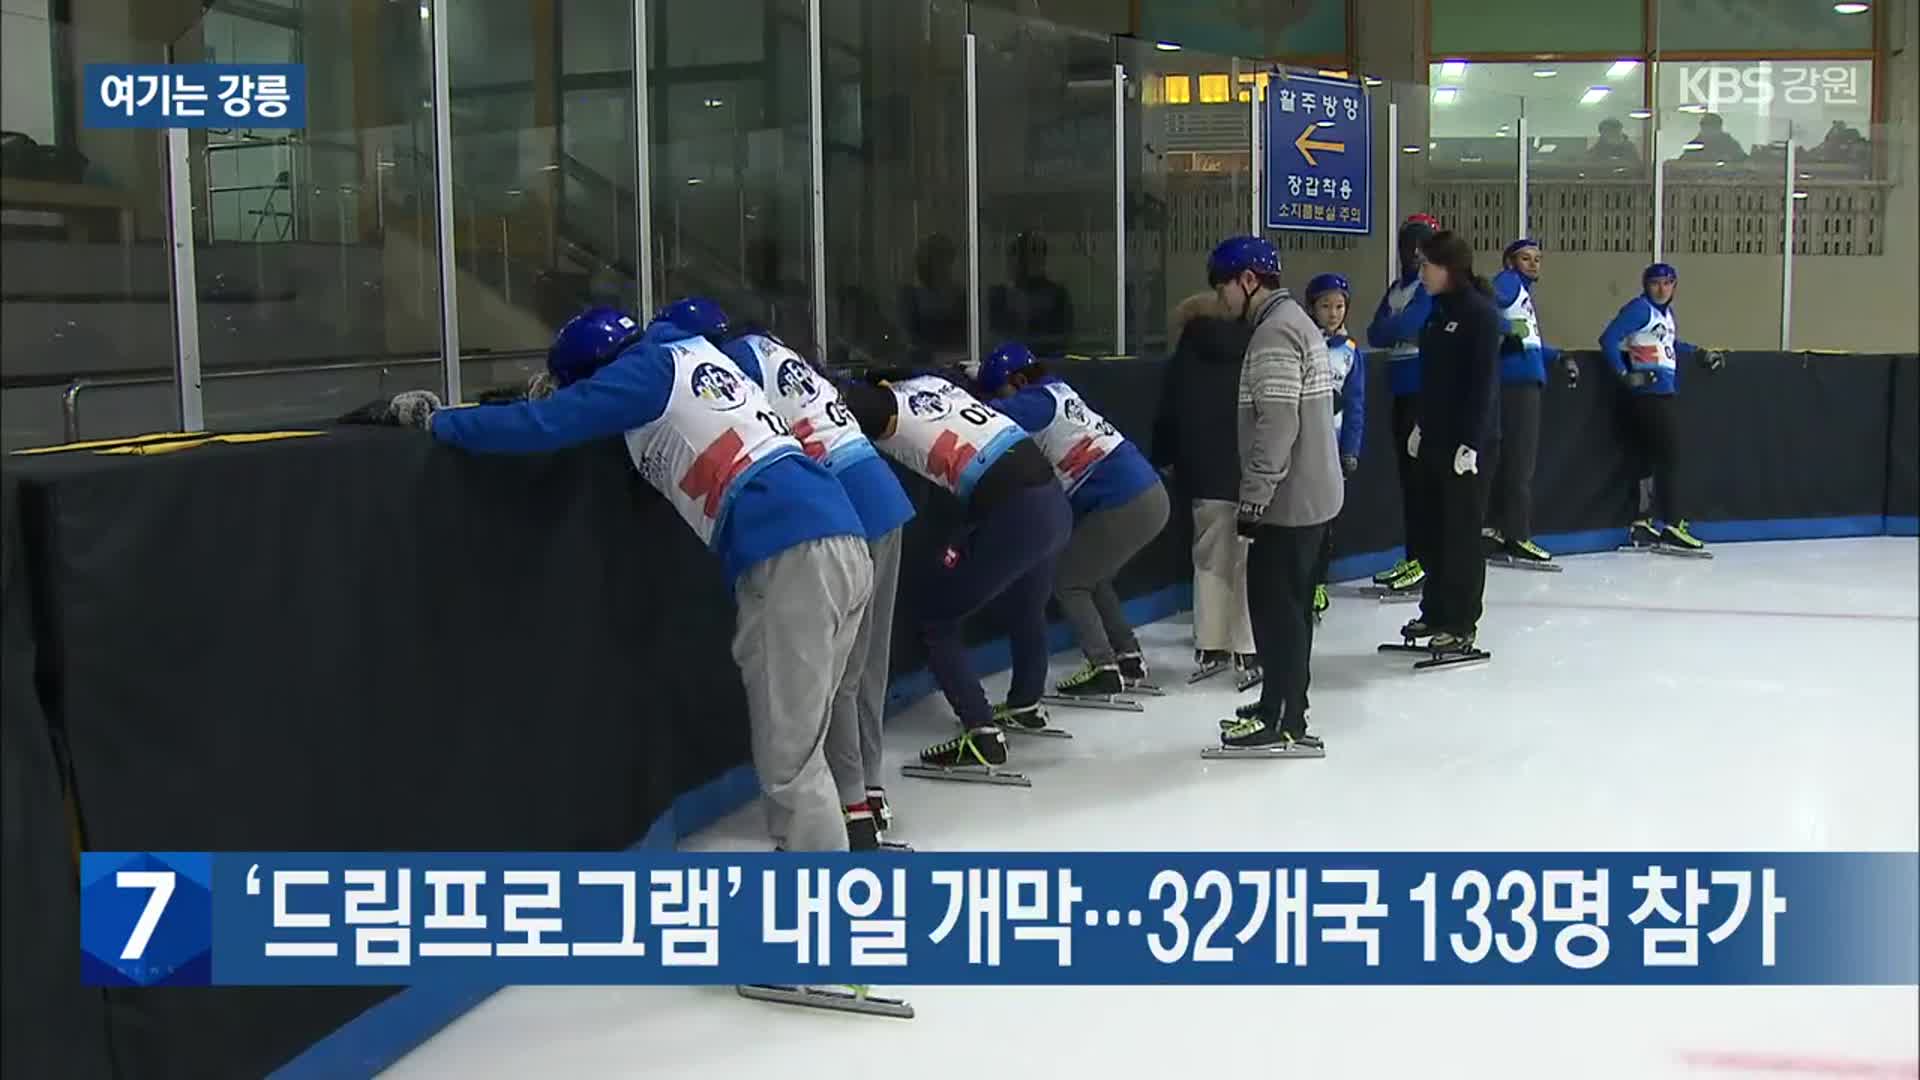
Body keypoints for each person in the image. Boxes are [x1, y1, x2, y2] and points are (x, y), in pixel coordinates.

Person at [396, 305, 874, 854]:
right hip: (840, 537)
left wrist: (438, 421)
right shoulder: (694, 356)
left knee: (789, 760)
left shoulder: (641, 374)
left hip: (792, 552)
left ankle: (823, 914)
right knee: (804, 741)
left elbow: (540, 426)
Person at [659, 299, 916, 850]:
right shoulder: (780, 351)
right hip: (879, 495)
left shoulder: (723, 364)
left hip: (835, 502)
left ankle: (851, 808)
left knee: (836, 680)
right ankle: (867, 791)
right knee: (866, 667)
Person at [838, 370, 1073, 778]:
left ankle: (982, 731)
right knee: (1026, 607)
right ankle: (1025, 703)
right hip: (1052, 501)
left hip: (1015, 511)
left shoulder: (886, 408)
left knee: (936, 619)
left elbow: (845, 405)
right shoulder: (936, 384)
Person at [1207, 235, 1342, 756]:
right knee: (1291, 610)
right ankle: (1281, 703)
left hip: (1289, 502)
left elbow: (1278, 422)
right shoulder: (1296, 325)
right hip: (1313, 496)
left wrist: (1255, 496)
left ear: (1247, 281)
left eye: (1224, 289)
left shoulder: (1273, 335)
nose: (1223, 302)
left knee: (1276, 612)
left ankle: (1284, 716)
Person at [975, 342, 1169, 700]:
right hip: (1148, 493)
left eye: (1002, 388)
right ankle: (1127, 656)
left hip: (1125, 499)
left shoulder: (1036, 401)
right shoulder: (1059, 390)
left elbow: (987, 415)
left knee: (1067, 579)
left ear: (1017, 380)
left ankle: (1103, 667)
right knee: (1092, 577)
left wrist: (958, 386)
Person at [1152, 290, 1260, 682]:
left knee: (1210, 559)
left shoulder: (1186, 354)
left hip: (1203, 471)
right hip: (1250, 470)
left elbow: (1168, 412)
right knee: (1247, 562)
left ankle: (1211, 646)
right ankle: (1248, 651)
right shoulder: (1256, 345)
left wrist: (1165, 456)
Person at [1404, 230, 1502, 654]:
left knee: (1461, 534)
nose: (1421, 272)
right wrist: (1421, 424)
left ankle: (1461, 621)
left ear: (1449, 268)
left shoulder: (1479, 314)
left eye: (1427, 265)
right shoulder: (1435, 311)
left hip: (1468, 444)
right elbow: (1433, 379)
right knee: (1432, 528)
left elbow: (1483, 384)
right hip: (1435, 436)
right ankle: (1435, 609)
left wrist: (1472, 443)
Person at [1598, 263, 1726, 553]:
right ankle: (1672, 523)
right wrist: (1624, 374)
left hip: (1659, 391)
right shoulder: (1640, 309)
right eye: (1656, 283)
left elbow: (1668, 343)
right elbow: (1608, 339)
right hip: (1650, 392)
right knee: (1671, 457)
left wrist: (1699, 353)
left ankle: (1642, 523)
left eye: (1668, 283)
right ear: (1646, 285)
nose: (1662, 288)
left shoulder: (1664, 315)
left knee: (1648, 458)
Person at [1366, 214, 1440, 593]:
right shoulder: (1399, 288)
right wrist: (1396, 327)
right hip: (1400, 389)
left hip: (1423, 391)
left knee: (1422, 480)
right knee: (1408, 482)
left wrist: (1395, 327)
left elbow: (1406, 326)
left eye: (1421, 243)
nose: (1413, 251)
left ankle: (1426, 561)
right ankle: (1415, 558)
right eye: (1408, 243)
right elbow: (1375, 331)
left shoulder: (1427, 289)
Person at [1483, 239, 1565, 566]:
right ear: (1509, 262)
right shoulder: (1508, 282)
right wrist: (1506, 331)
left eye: (1537, 259)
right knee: (1520, 462)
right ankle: (1516, 535)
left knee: (1512, 461)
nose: (1533, 264)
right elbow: (1483, 304)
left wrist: (1556, 356)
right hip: (1515, 385)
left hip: (1520, 381)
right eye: (1525, 258)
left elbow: (1527, 341)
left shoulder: (1522, 295)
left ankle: (1500, 530)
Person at [1303, 272, 1365, 618]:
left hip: (1333, 446)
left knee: (1327, 521)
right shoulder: (1303, 344)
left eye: (1339, 306)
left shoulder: (1351, 353)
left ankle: (1318, 582)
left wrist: (1351, 450)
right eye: (1325, 305)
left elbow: (1356, 404)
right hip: (1303, 446)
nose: (1332, 312)